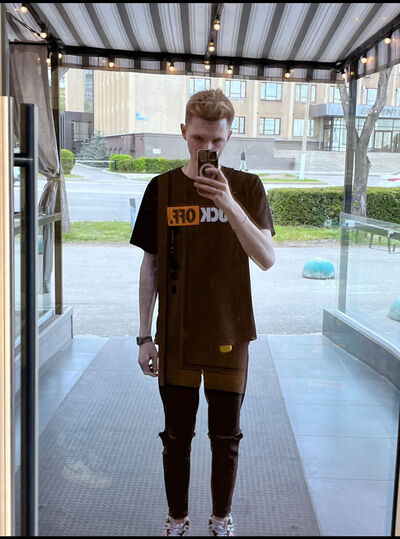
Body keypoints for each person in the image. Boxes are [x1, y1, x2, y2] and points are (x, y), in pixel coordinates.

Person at [130, 89, 275, 537]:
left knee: (226, 438)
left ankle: (220, 519)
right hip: (176, 336)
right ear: (183, 133)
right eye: (197, 139)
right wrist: (144, 336)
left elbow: (267, 257)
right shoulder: (162, 189)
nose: (206, 148)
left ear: (229, 137)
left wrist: (228, 204)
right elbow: (150, 265)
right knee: (176, 437)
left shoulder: (247, 188)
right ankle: (177, 520)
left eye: (216, 140)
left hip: (230, 332)